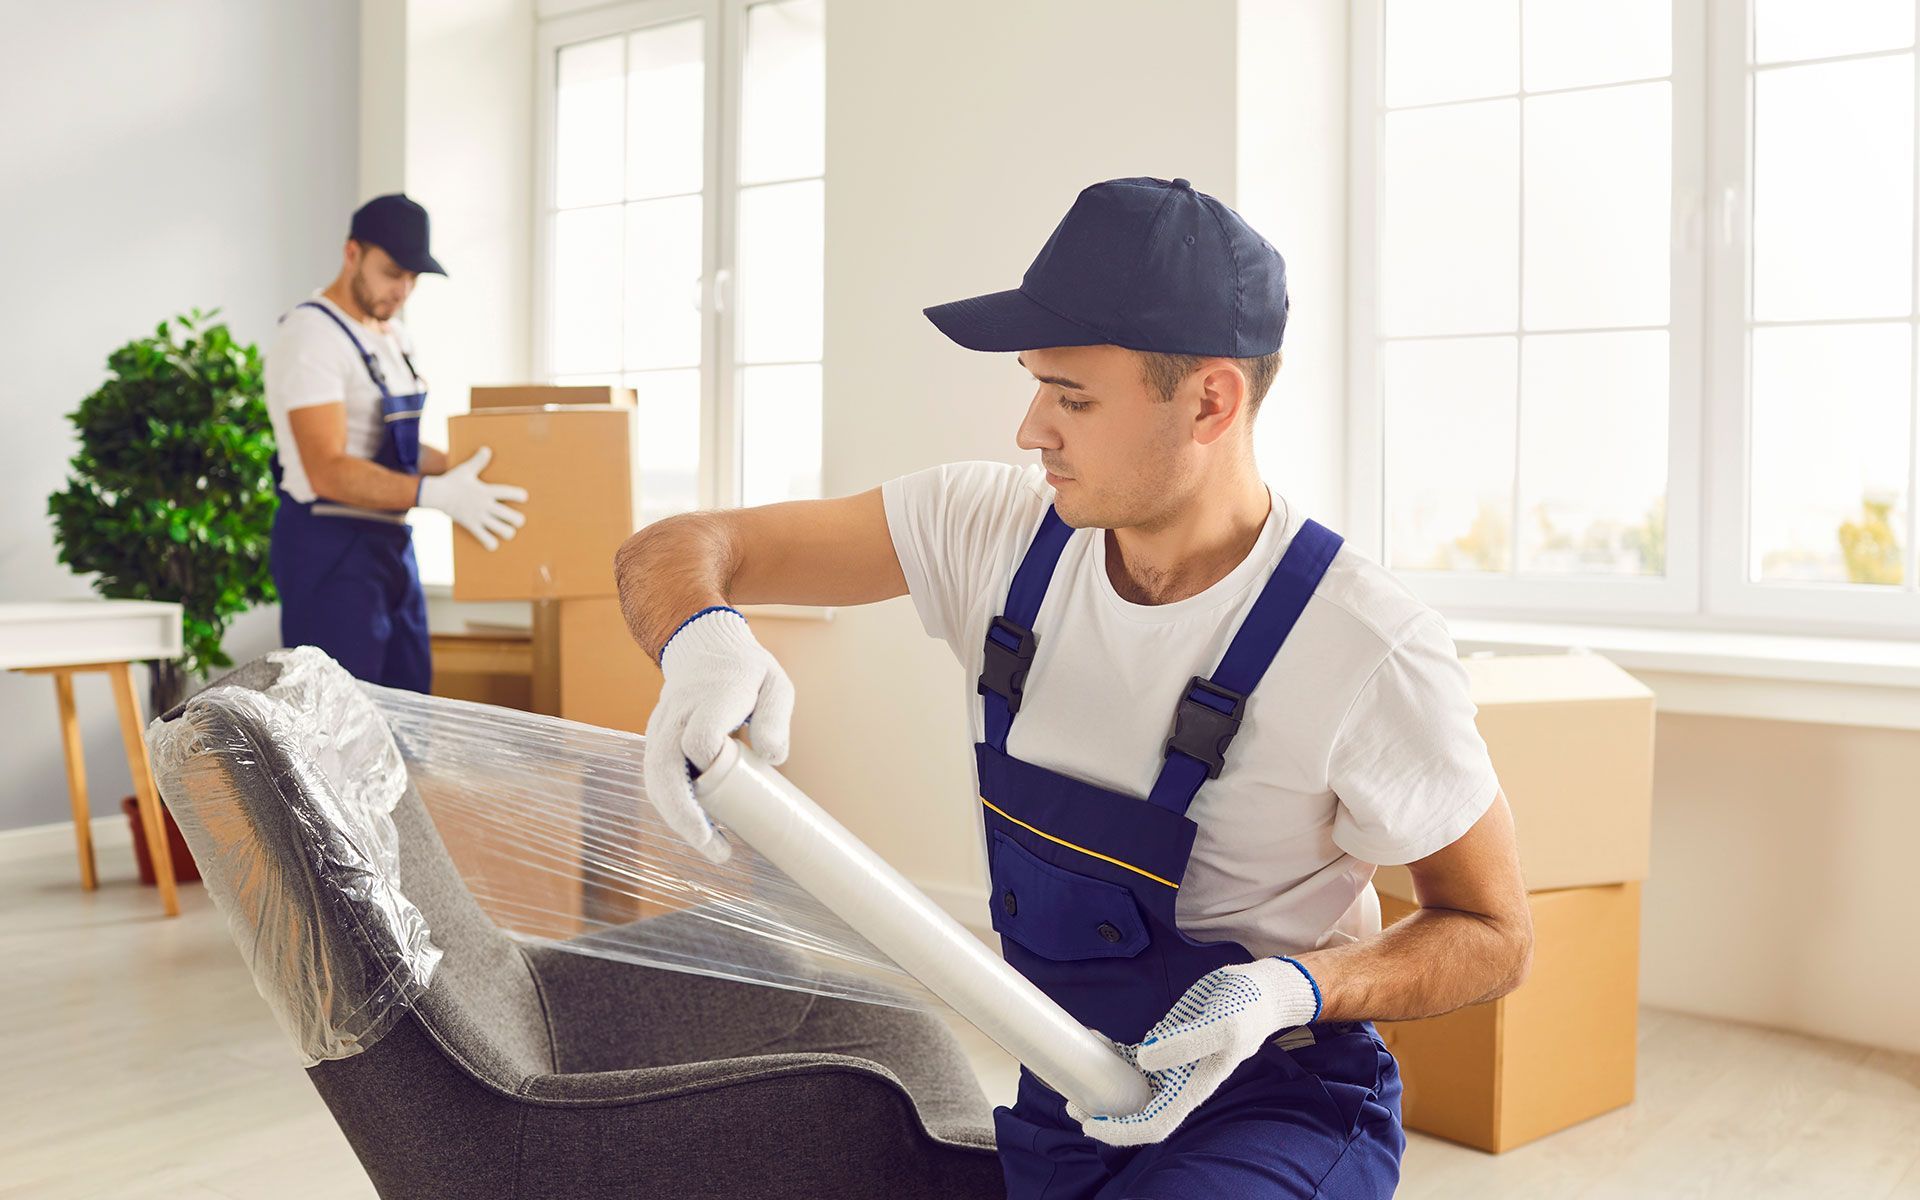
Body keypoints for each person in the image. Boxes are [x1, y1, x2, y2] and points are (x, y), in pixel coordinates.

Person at [614, 176, 1533, 1198]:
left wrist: (1292, 988)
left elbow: (1493, 933)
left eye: (1074, 399)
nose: (1030, 430)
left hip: (1276, 1110)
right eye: (1037, 385)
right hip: (1067, 1085)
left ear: (1211, 401)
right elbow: (683, 546)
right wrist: (700, 635)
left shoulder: (1365, 645)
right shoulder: (988, 530)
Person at [264, 193, 528, 692]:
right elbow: (328, 468)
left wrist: (463, 470)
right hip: (329, 552)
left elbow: (399, 449)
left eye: (412, 278)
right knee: (341, 721)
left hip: (391, 547)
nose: (402, 289)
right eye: (392, 273)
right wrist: (432, 494)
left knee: (410, 709)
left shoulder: (394, 339)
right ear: (352, 254)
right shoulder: (311, 338)